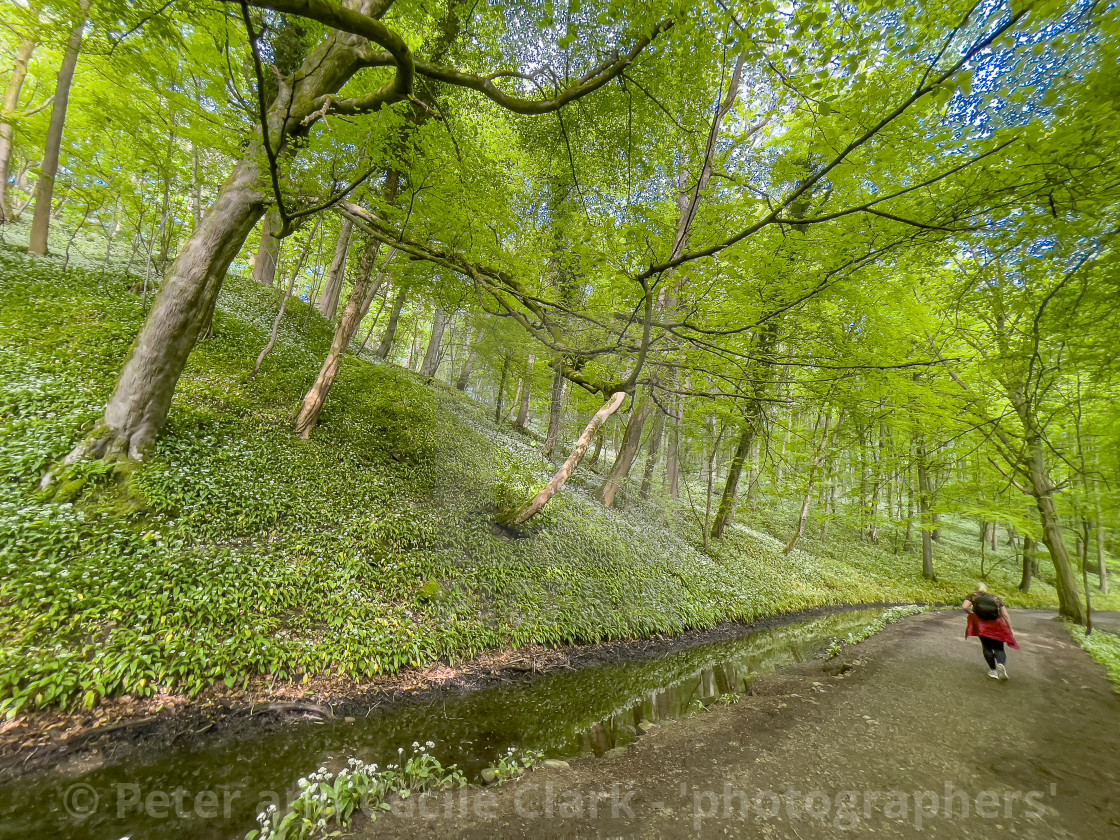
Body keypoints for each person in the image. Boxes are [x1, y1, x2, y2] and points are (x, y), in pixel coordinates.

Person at [962, 584, 1019, 680]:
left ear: (976, 589)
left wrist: (972, 614)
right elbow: (1005, 615)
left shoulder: (973, 596)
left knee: (987, 646)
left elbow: (964, 607)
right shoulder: (995, 598)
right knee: (999, 647)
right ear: (986, 589)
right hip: (996, 624)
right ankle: (1001, 664)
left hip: (981, 625)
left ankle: (993, 670)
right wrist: (1010, 628)